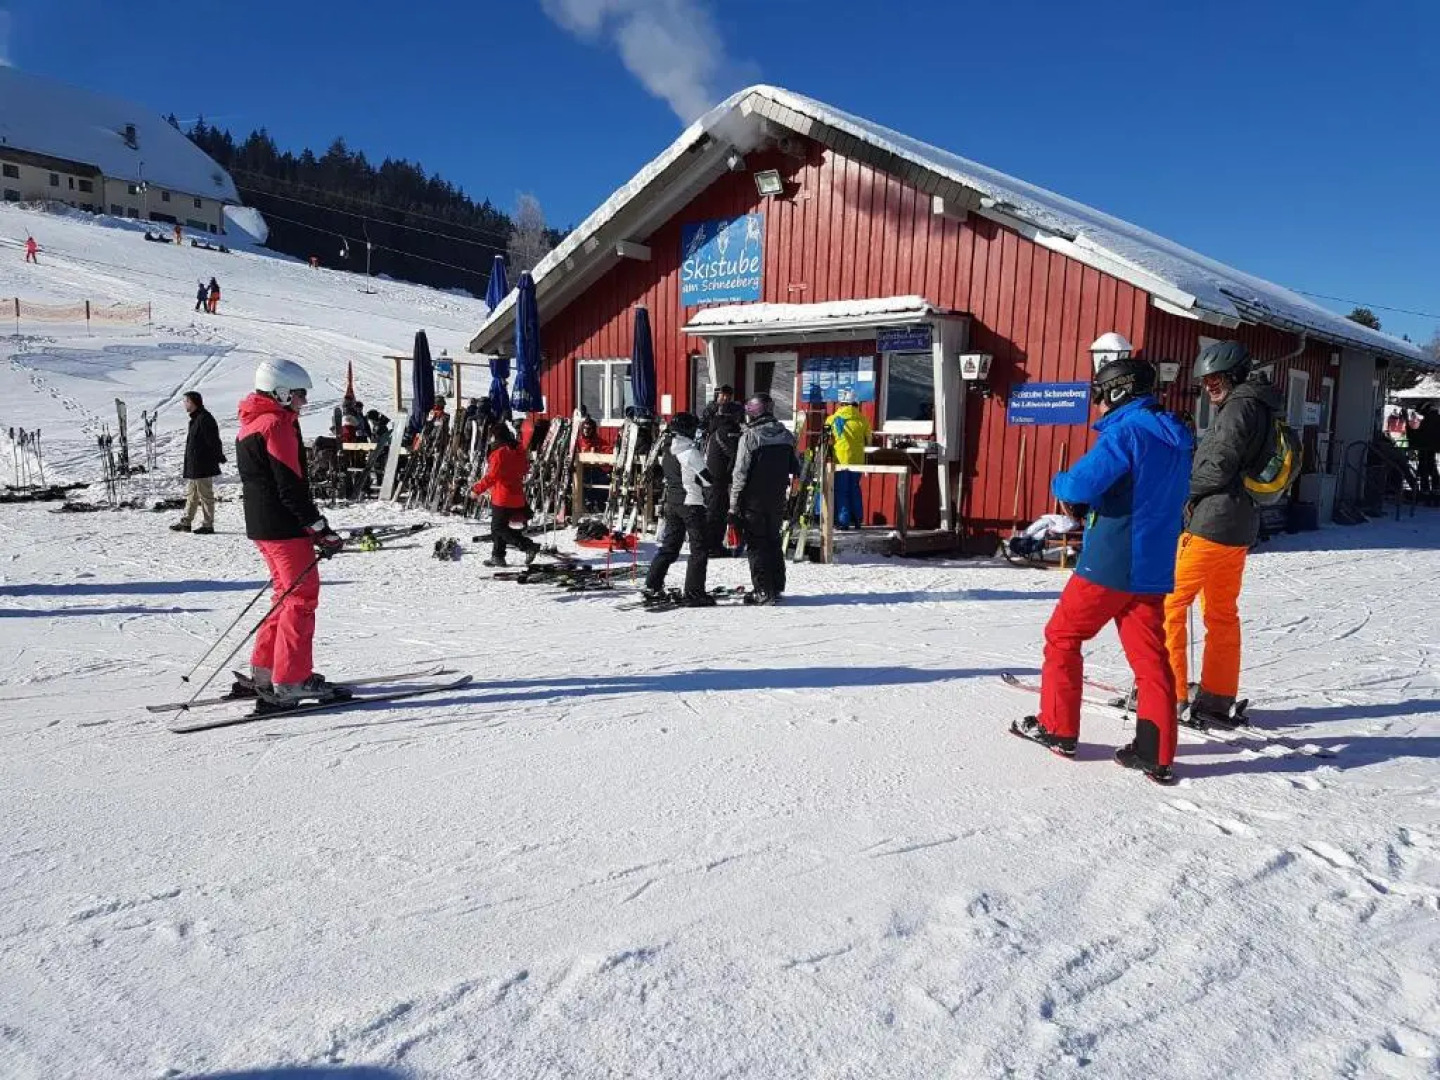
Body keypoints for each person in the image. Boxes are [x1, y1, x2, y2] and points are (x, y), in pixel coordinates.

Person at [1012, 358, 1192, 784]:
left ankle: (1058, 729)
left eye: (1099, 393)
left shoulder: (1127, 432)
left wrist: (1060, 482)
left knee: (1063, 636)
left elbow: (1078, 486)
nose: (1096, 404)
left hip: (1110, 561)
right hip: (1152, 565)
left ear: (1116, 391)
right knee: (1151, 659)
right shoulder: (1180, 438)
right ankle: (1156, 752)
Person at [1163, 340, 1284, 729]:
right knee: (1220, 612)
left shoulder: (1238, 407)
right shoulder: (1261, 404)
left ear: (1233, 375)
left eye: (1214, 379)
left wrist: (1180, 489)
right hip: (1240, 524)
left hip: (1213, 523)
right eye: (1204, 381)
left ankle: (1169, 692)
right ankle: (1216, 696)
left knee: (1169, 604)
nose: (1208, 387)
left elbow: (1218, 466)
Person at [236, 358, 347, 708]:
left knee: (284, 595)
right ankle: (292, 679)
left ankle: (266, 671)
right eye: (298, 395)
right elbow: (291, 486)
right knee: (301, 597)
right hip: (284, 527)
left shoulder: (250, 423)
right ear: (280, 392)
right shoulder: (276, 425)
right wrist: (318, 527)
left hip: (263, 526)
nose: (302, 402)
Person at [728, 393, 800, 605]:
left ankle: (763, 590)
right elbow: (795, 468)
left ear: (754, 411)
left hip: (753, 499)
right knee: (773, 540)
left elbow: (740, 473)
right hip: (776, 498)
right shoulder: (786, 436)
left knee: (757, 544)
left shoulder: (750, 437)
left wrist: (733, 506)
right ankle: (776, 585)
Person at [643, 413, 714, 606]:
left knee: (670, 547)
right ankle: (694, 593)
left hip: (673, 502)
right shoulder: (690, 452)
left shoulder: (668, 449)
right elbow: (707, 479)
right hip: (691, 503)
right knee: (699, 549)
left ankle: (652, 584)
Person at [472, 424, 539, 567]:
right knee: (500, 527)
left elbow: (492, 477)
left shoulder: (499, 453)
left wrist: (476, 489)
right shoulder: (518, 449)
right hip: (517, 495)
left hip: (503, 497)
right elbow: (525, 469)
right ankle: (497, 556)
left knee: (498, 528)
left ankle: (528, 546)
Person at [170, 391, 225, 534]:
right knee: (192, 494)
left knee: (205, 495)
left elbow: (213, 440)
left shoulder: (204, 419)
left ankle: (208, 525)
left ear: (193, 402)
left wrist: (218, 456)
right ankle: (186, 522)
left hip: (203, 465)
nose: (184, 404)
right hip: (195, 465)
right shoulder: (196, 419)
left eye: (186, 401)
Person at [700, 386, 744, 555]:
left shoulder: (735, 412)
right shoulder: (711, 411)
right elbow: (704, 427)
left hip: (725, 467)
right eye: (722, 396)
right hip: (715, 466)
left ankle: (717, 542)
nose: (725, 399)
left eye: (728, 396)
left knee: (722, 505)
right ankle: (712, 544)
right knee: (716, 506)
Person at [825, 388, 872, 528]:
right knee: (854, 488)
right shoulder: (863, 420)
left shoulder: (833, 419)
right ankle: (857, 520)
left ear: (842, 404)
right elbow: (868, 440)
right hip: (858, 461)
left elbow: (827, 440)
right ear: (856, 404)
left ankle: (843, 521)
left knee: (841, 490)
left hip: (841, 460)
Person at [1410, 402, 1440, 504]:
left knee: (1424, 466)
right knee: (1432, 465)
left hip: (1424, 446)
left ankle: (1425, 490)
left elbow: (1419, 435)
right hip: (1432, 447)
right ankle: (1436, 487)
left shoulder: (1428, 420)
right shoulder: (1436, 418)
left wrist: (1409, 429)